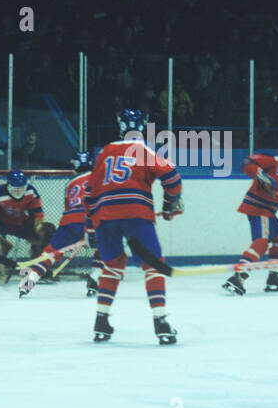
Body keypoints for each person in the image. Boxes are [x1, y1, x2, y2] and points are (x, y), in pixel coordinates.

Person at [84, 109, 182, 344]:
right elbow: (172, 178)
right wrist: (169, 205)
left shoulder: (104, 152)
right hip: (135, 212)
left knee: (112, 266)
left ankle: (101, 320)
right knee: (153, 265)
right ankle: (160, 321)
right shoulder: (145, 150)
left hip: (104, 216)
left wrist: (90, 228)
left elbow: (90, 193)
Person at [224, 133, 278, 295]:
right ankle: (238, 276)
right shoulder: (273, 162)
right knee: (261, 242)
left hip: (269, 212)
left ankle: (273, 277)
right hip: (259, 208)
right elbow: (248, 163)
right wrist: (263, 176)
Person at [19, 152, 99, 298]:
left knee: (49, 253)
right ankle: (94, 281)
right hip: (93, 219)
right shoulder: (100, 178)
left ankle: (28, 283)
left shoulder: (70, 184)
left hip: (69, 221)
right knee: (104, 250)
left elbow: (68, 207)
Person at [0, 170, 53, 284]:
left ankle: (40, 271)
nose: (18, 192)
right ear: (8, 186)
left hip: (20, 223)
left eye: (21, 189)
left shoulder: (31, 192)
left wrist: (38, 227)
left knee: (47, 230)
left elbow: (37, 213)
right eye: (14, 189)